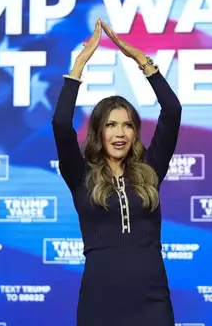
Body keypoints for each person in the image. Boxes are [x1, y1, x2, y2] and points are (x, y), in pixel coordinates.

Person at [51, 19, 182, 326]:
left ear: (135, 132)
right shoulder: (81, 175)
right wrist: (79, 65)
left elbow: (172, 111)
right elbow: (60, 124)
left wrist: (142, 60)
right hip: (101, 299)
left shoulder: (149, 170)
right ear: (99, 132)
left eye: (127, 125)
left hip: (152, 298)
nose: (120, 133)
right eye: (111, 124)